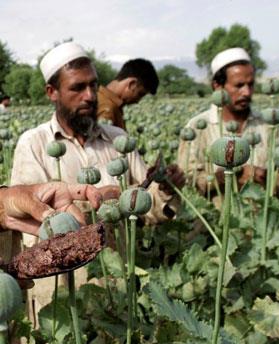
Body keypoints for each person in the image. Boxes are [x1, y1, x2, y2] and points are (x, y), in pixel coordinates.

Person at [9, 41, 184, 322]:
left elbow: (147, 208)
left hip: (116, 292)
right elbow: (31, 227)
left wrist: (163, 188)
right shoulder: (34, 144)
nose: (90, 96)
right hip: (61, 301)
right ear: (52, 92)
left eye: (93, 85)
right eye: (77, 88)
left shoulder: (118, 140)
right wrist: (95, 205)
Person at [177, 47, 269, 194]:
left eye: (250, 84)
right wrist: (227, 176)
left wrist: (272, 176)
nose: (246, 92)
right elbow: (187, 183)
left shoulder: (266, 124)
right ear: (217, 86)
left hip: (260, 213)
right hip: (215, 215)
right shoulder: (196, 127)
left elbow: (278, 172)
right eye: (239, 85)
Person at [97, 58, 159, 129]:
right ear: (132, 84)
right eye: (140, 94)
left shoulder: (101, 99)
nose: (137, 101)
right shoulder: (107, 110)